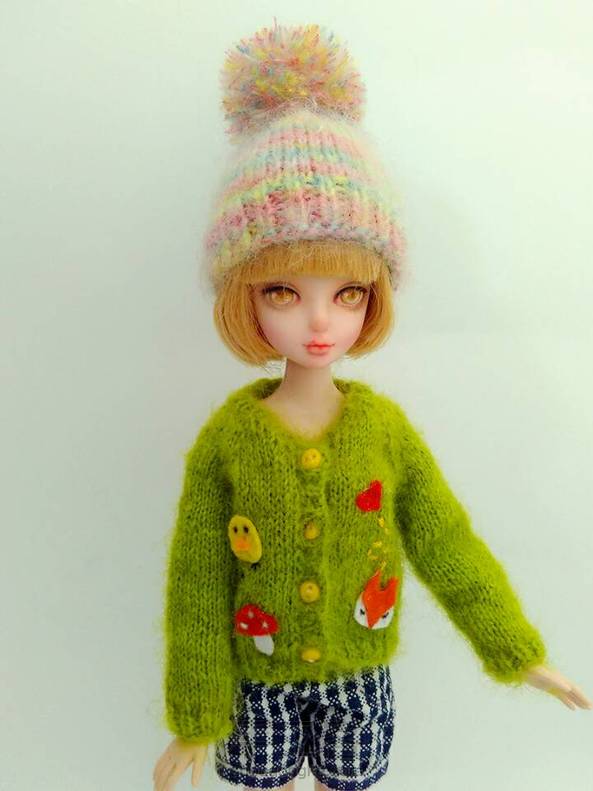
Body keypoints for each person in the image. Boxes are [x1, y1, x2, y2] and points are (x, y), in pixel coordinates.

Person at [152, 20, 592, 791]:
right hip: (256, 682)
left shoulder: (382, 431)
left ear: (374, 296)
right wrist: (194, 714)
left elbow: (446, 544)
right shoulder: (228, 439)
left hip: (360, 678)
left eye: (347, 293)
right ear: (241, 297)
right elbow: (197, 582)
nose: (319, 321)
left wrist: (515, 651)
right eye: (283, 291)